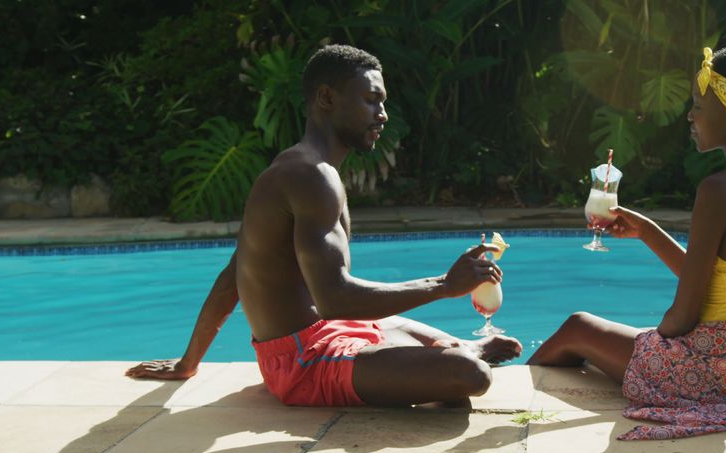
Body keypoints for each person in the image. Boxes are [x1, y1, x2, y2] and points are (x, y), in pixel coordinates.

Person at [126, 44, 522, 407]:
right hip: (305, 362)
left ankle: (453, 350)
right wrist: (444, 285)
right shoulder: (311, 176)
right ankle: (461, 356)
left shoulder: (299, 168)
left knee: (444, 347)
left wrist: (188, 362)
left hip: (328, 333)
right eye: (371, 101)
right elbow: (335, 298)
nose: (382, 115)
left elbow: (235, 274)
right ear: (327, 98)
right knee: (470, 375)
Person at [528, 45, 726, 440]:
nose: (690, 116)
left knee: (578, 328)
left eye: (698, 105)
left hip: (714, 371)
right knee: (619, 334)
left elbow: (684, 317)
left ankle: (516, 404)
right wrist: (648, 232)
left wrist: (654, 339)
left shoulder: (722, 189)